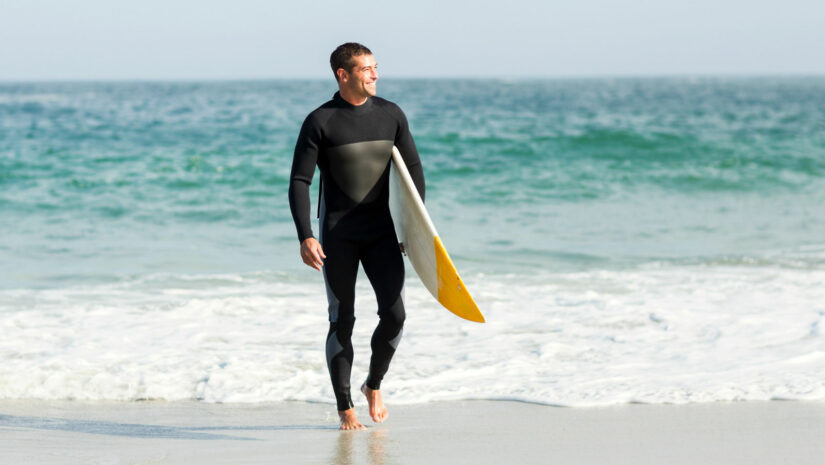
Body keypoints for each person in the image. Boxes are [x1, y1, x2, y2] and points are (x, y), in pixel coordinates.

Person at [288, 42, 425, 430]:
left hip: (383, 232)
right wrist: (305, 235)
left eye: (376, 67)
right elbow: (300, 181)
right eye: (366, 69)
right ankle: (345, 408)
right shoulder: (321, 121)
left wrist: (412, 228)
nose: (375, 75)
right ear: (343, 75)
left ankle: (374, 384)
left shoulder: (391, 115)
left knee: (395, 316)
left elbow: (413, 172)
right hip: (338, 234)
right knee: (341, 319)